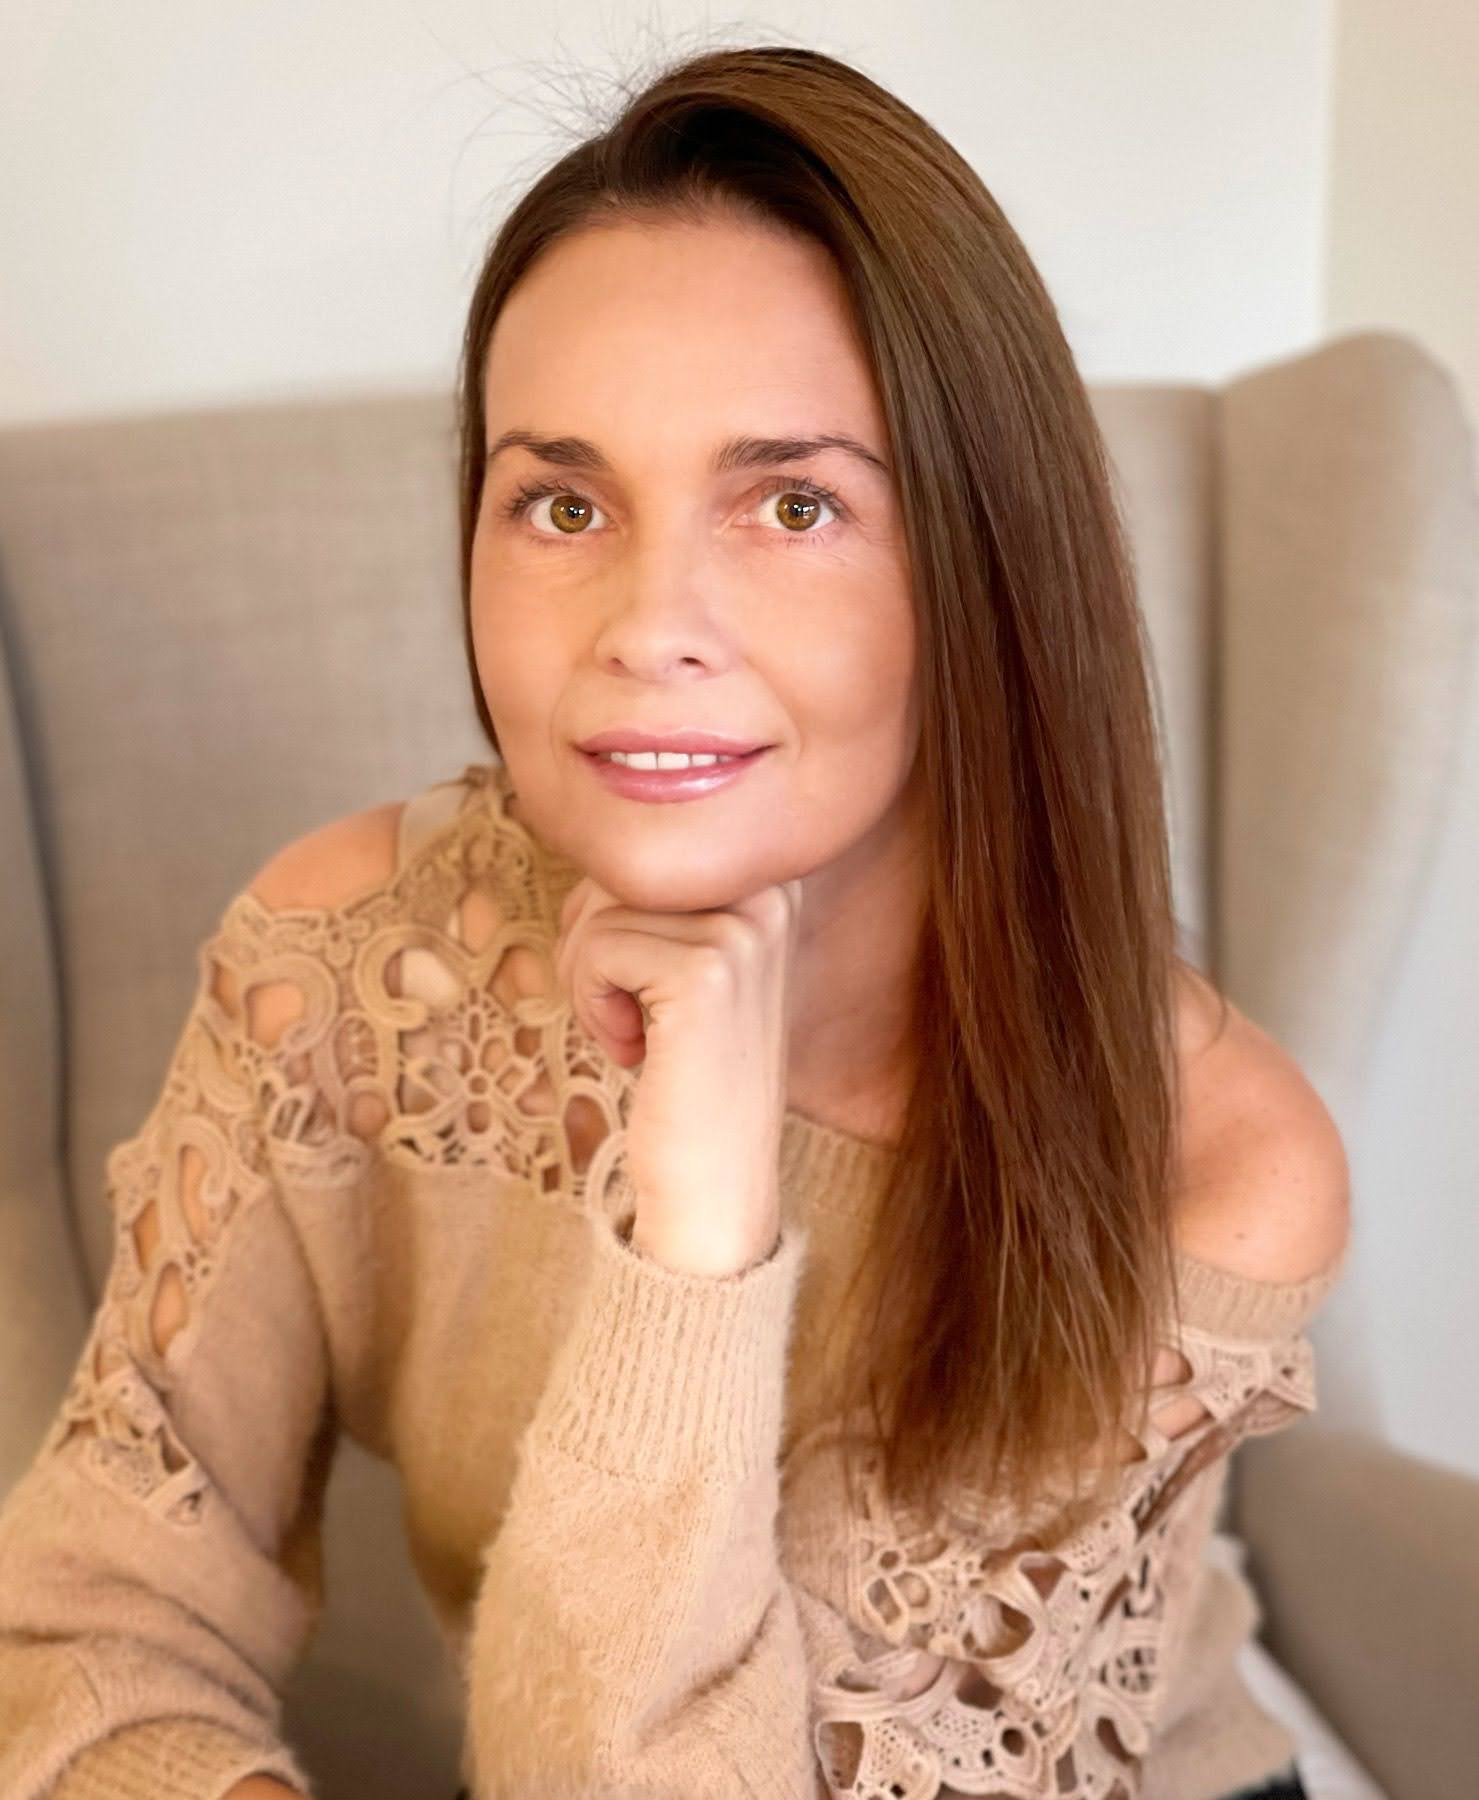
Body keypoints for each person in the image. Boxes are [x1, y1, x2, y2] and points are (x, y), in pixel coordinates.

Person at [0, 40, 1350, 1800]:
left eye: (793, 505)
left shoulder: (1204, 1163)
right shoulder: (345, 968)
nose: (650, 623)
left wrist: (693, 1247)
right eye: (565, 503)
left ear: (983, 565)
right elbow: (97, 1622)